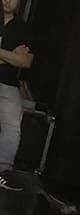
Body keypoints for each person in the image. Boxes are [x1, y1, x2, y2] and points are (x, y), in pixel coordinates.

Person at [0, 0, 33, 173]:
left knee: (12, 124)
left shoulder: (22, 28)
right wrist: (10, 56)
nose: (7, 0)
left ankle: (3, 172)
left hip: (8, 83)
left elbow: (25, 61)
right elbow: (16, 59)